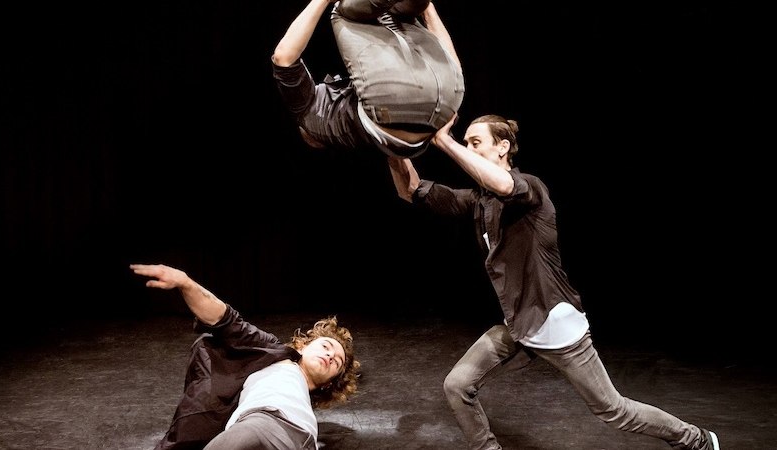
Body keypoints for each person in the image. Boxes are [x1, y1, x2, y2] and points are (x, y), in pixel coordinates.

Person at [386, 114, 721, 450]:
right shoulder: (479, 201)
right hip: (519, 325)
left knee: (613, 410)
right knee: (458, 385)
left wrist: (444, 141)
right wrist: (392, 145)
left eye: (476, 143)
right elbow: (411, 189)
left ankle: (696, 439)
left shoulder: (530, 188)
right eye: (467, 143)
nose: (468, 149)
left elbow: (503, 185)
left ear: (503, 147)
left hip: (555, 324)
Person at [130, 263, 360, 450]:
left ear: (328, 383)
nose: (330, 356)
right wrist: (186, 283)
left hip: (302, 440)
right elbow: (226, 320)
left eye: (336, 362)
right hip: (261, 425)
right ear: (302, 345)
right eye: (326, 346)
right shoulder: (273, 354)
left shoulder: (303, 401)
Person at [272, 0, 464, 159]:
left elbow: (451, 67)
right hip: (396, 105)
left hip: (451, 96)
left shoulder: (367, 139)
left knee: (398, 18)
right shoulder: (308, 117)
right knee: (342, 11)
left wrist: (427, 8)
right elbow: (283, 58)